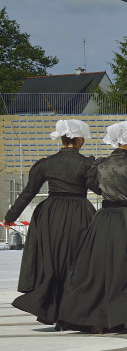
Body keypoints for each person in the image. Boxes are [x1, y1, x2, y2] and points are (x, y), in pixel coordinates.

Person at [4, 120, 98, 329]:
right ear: (80, 139)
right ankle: (72, 314)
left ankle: (53, 310)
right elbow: (99, 189)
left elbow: (29, 192)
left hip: (50, 215)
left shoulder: (46, 163)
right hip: (79, 213)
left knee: (53, 263)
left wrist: (11, 215)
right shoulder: (87, 163)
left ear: (62, 139)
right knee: (77, 263)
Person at [60, 121, 127, 332]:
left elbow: (95, 187)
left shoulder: (100, 164)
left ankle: (94, 316)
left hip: (104, 218)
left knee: (97, 268)